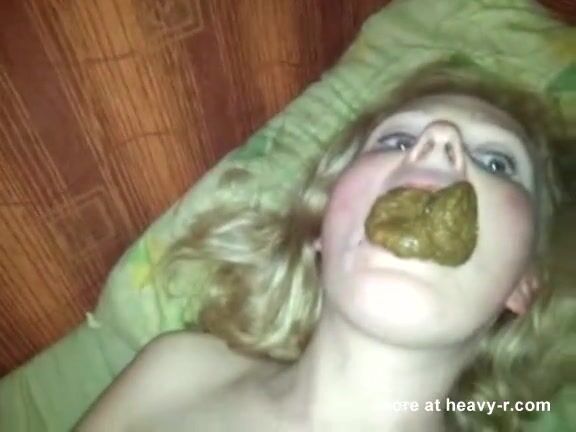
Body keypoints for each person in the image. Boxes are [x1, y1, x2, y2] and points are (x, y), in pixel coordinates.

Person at [76, 59, 575, 432]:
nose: (440, 143)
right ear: (321, 226)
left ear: (525, 281)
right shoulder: (176, 372)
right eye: (397, 142)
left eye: (496, 163)